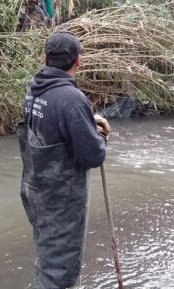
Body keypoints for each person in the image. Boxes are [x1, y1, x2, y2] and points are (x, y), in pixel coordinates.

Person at [17, 31, 111, 288]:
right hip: (61, 202)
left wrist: (87, 123)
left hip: (35, 191)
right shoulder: (71, 99)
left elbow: (52, 127)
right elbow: (92, 155)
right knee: (59, 272)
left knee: (46, 258)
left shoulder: (34, 90)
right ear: (78, 61)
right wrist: (101, 136)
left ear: (45, 59)